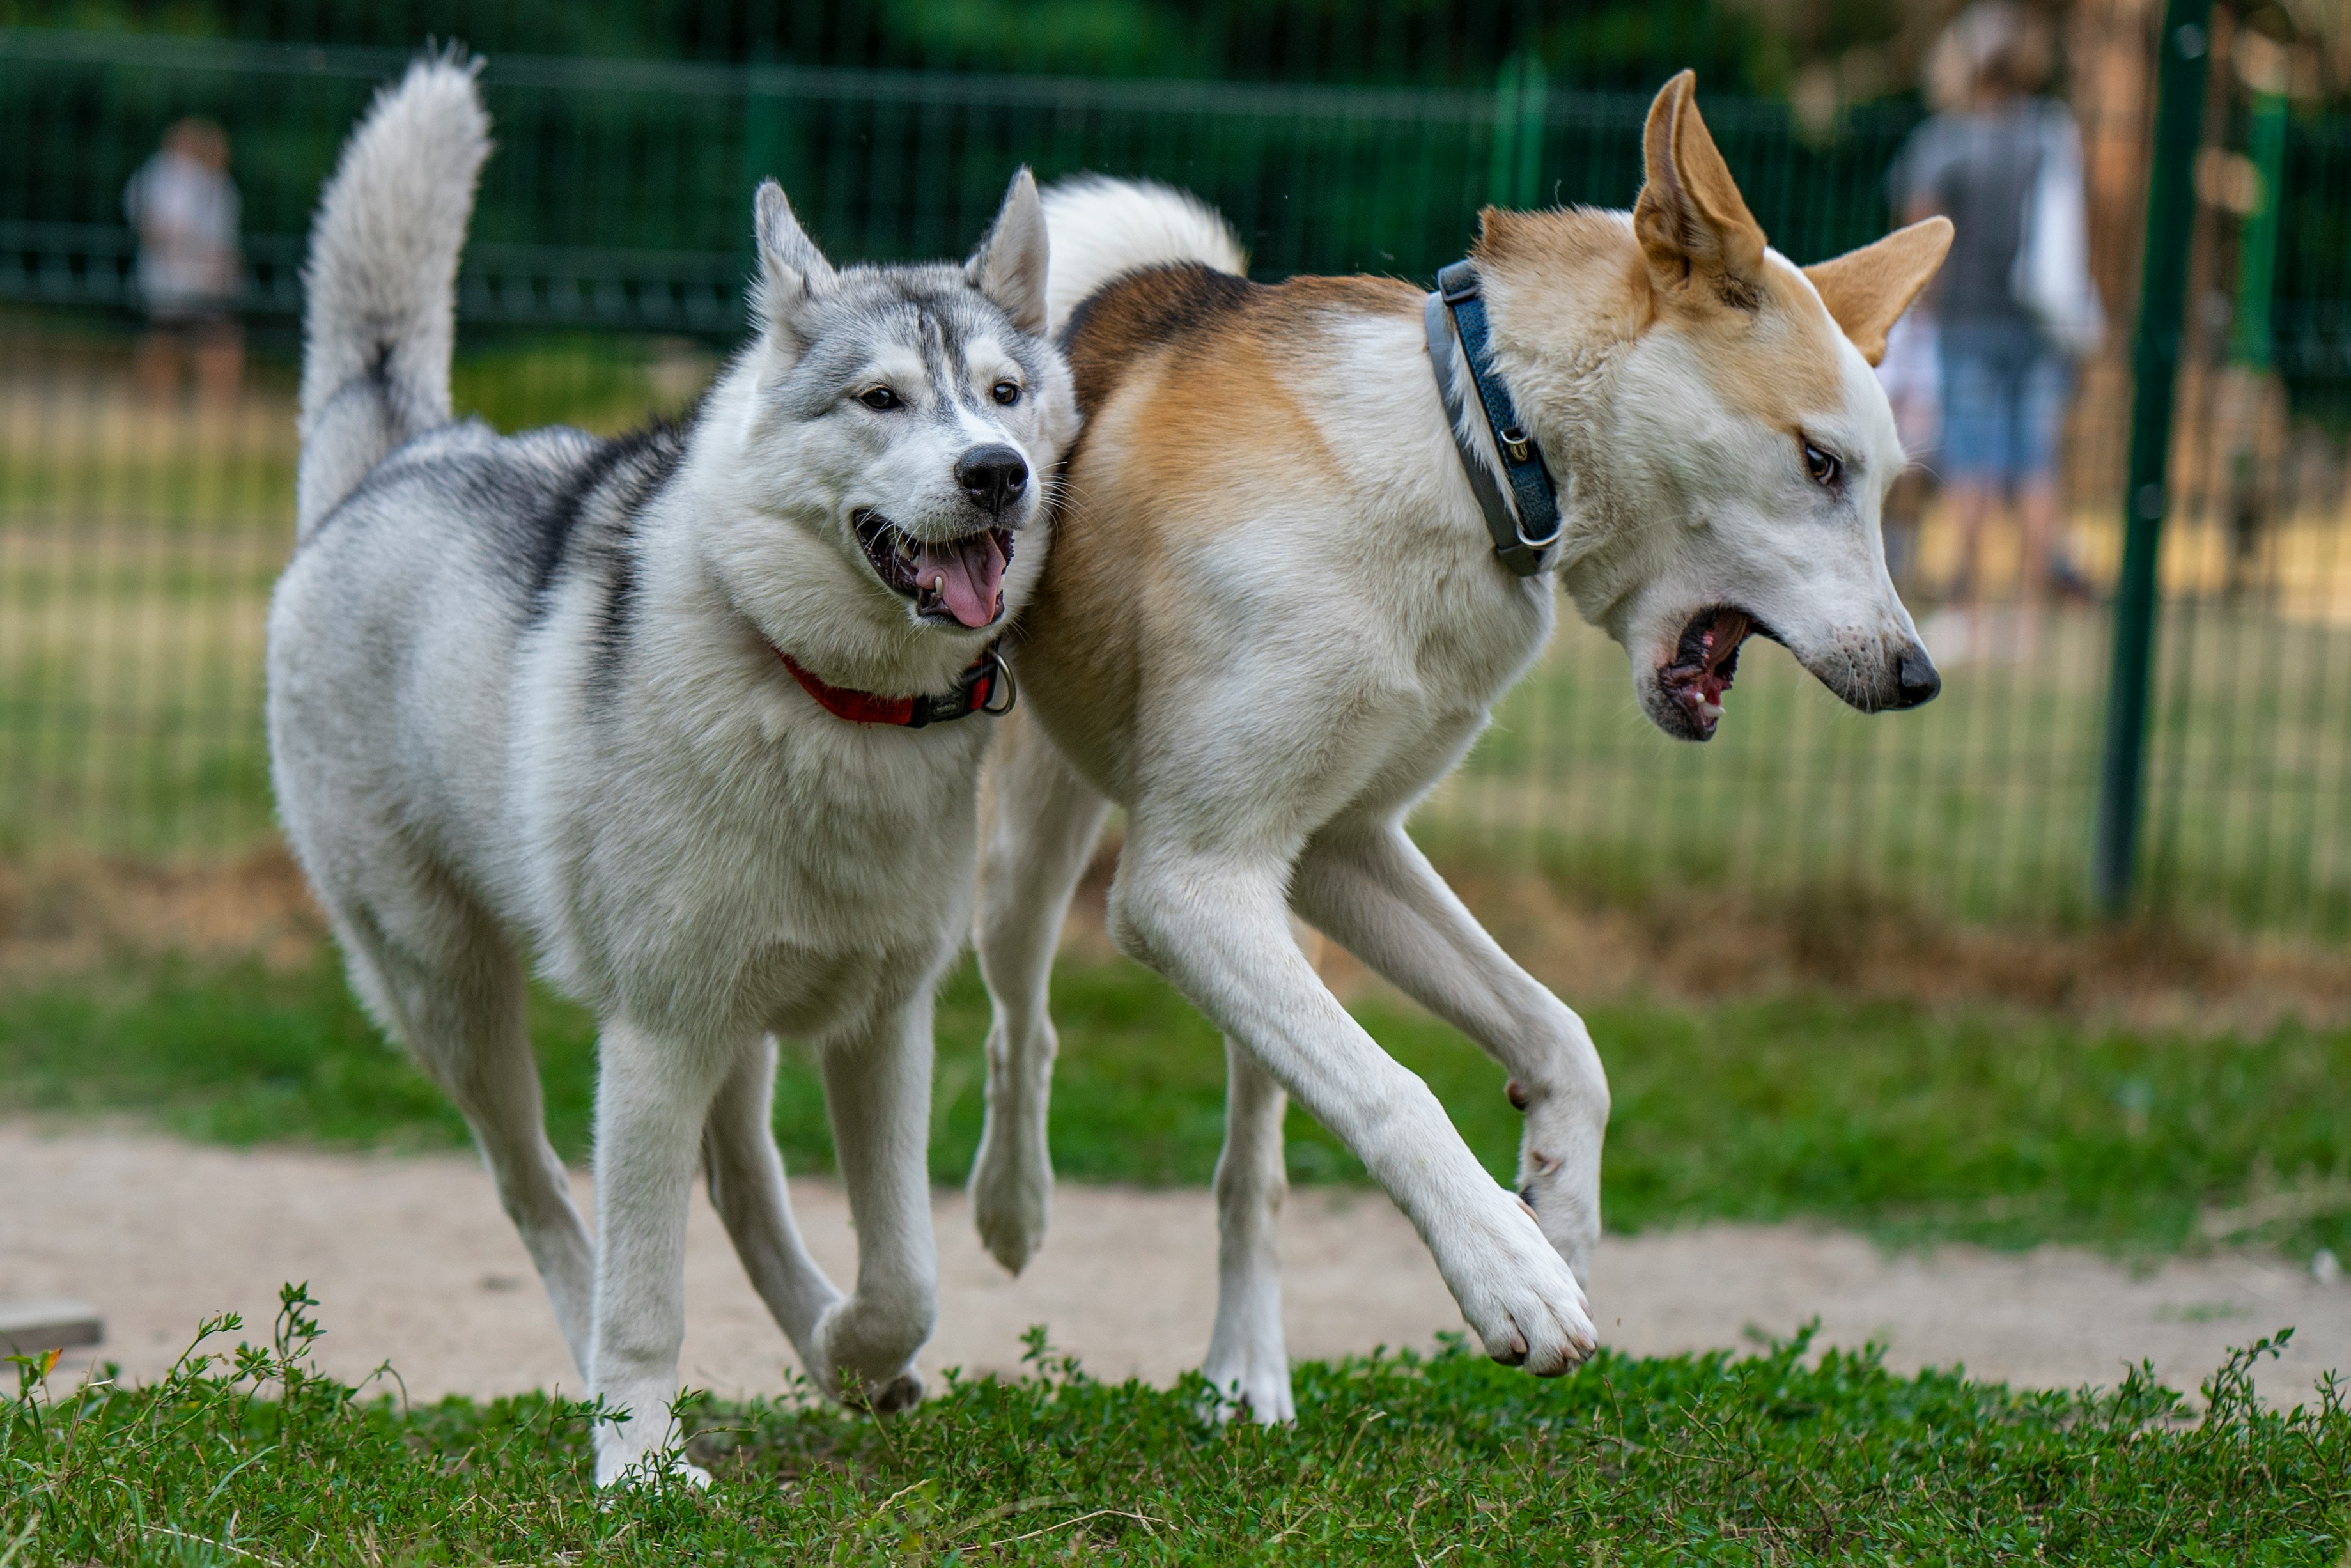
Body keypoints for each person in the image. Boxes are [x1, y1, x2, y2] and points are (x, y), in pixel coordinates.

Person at [1890, 3, 2098, 650]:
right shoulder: (2046, 133)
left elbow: (1918, 236)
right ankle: (2029, 620)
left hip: (1967, 326)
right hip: (2038, 326)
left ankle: (1974, 612)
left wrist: (1924, 316)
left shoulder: (1944, 141)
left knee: (1974, 468)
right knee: (2035, 471)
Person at [124, 118, 244, 403]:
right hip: (174, 280)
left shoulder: (219, 187)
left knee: (209, 345)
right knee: (168, 344)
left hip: (201, 283)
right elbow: (151, 226)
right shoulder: (163, 176)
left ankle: (207, 407)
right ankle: (157, 404)